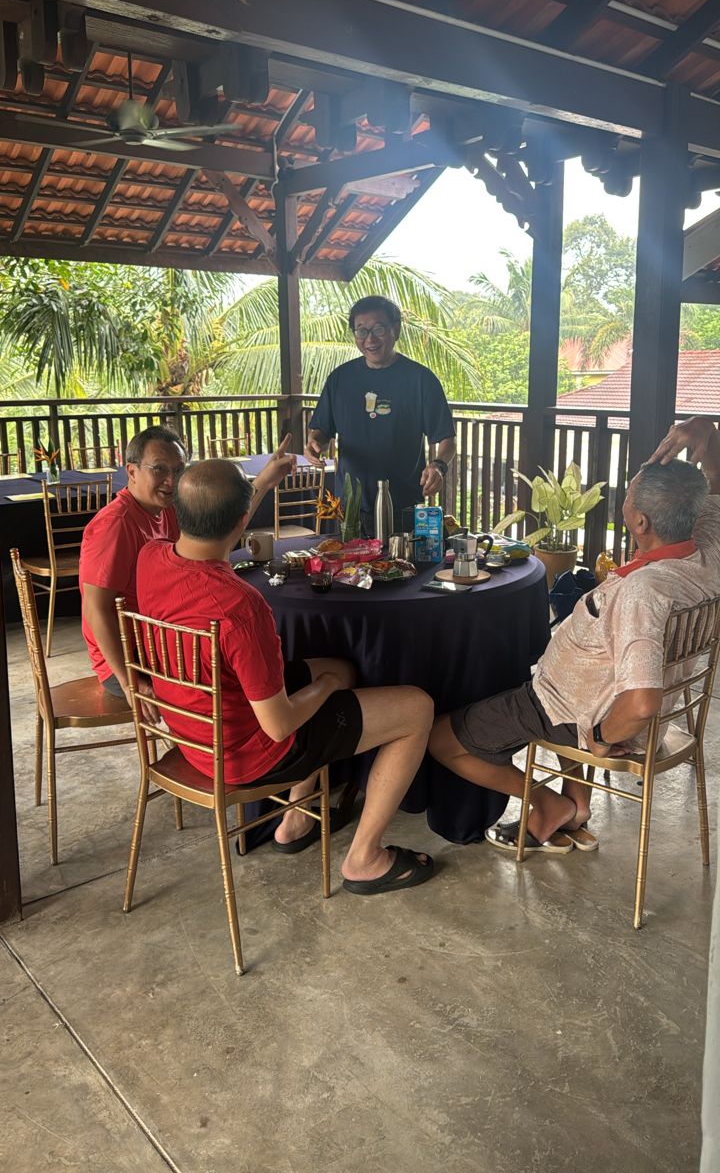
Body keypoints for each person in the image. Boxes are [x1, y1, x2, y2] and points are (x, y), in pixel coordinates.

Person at [133, 459, 435, 894]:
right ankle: (365, 858)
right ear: (243, 521)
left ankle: (294, 821)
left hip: (192, 732)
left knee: (340, 666)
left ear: (178, 511)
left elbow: (225, 519)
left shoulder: (150, 557)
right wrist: (325, 688)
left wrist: (331, 680)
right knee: (417, 708)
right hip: (248, 755)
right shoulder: (239, 605)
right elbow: (278, 726)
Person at [428, 416, 720, 854]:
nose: (624, 501)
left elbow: (641, 702)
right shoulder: (709, 546)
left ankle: (549, 804)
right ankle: (578, 804)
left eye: (628, 496)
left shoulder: (645, 592)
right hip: (586, 691)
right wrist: (707, 432)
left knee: (440, 739)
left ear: (640, 522)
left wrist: (599, 737)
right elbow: (716, 479)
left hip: (567, 712)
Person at [80, 425, 294, 714]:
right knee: (248, 680)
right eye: (159, 469)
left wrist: (265, 481)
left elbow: (222, 523)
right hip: (133, 659)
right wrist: (128, 680)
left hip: (167, 641)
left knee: (261, 658)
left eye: (178, 470)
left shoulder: (167, 508)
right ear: (131, 471)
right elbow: (95, 609)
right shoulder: (115, 526)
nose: (171, 480)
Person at [305, 295, 456, 530]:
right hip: (349, 508)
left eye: (379, 329)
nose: (370, 339)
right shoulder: (340, 379)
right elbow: (321, 431)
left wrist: (438, 466)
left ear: (396, 330)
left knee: (403, 556)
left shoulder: (420, 380)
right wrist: (315, 443)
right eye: (361, 331)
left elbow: (447, 439)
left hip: (404, 506)